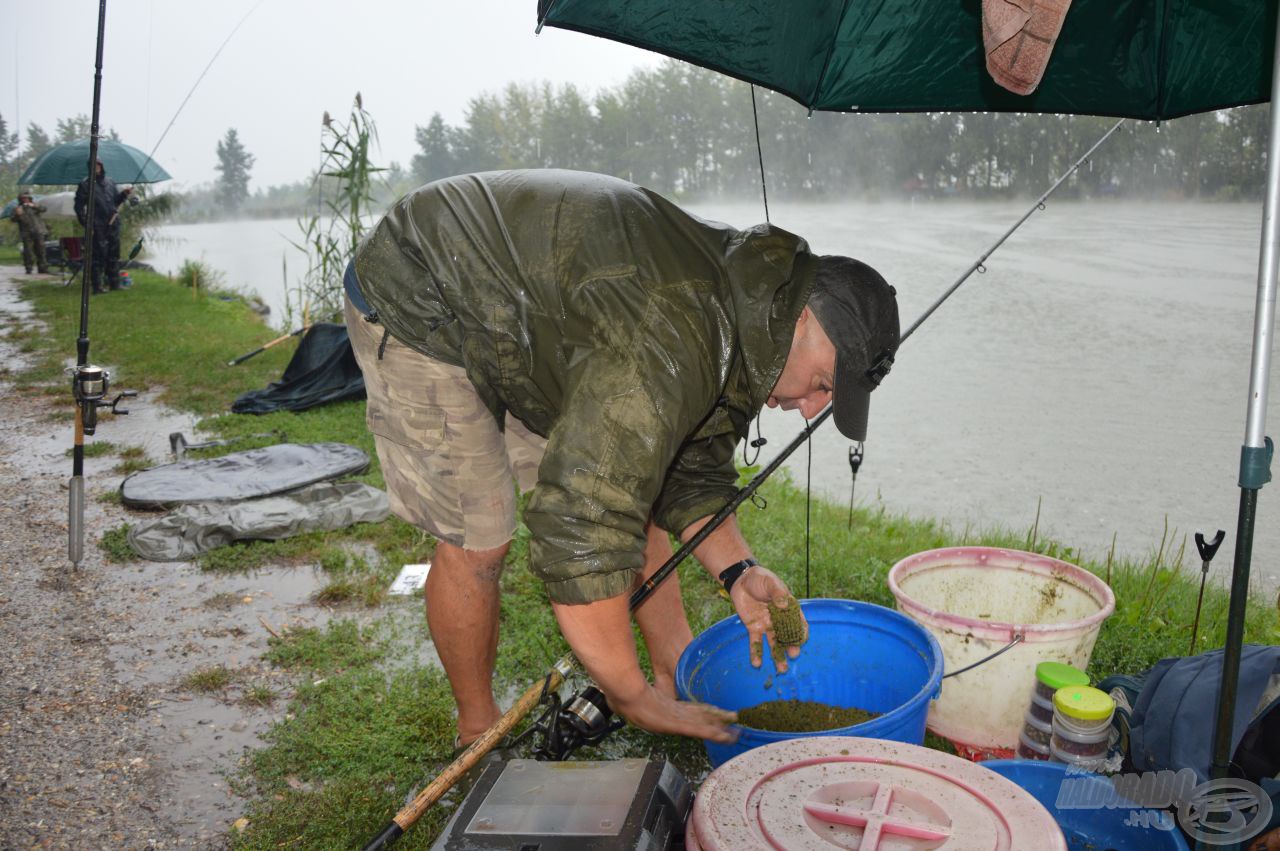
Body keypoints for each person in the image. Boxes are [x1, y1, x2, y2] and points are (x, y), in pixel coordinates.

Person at [343, 169, 900, 746]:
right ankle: (477, 729)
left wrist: (738, 572)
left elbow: (689, 474)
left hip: (539, 316)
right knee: (481, 534)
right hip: (426, 289)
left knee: (632, 476)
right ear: (805, 316)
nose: (811, 409)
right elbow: (581, 524)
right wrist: (625, 695)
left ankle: (674, 669)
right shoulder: (671, 340)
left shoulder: (750, 324)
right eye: (823, 383)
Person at [74, 159, 132, 293]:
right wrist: (87, 225)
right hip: (96, 225)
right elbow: (78, 207)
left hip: (113, 222)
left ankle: (114, 284)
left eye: (98, 165)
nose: (96, 168)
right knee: (98, 256)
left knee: (114, 254)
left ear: (101, 166)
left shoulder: (110, 182)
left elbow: (115, 202)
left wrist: (124, 194)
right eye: (93, 166)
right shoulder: (85, 185)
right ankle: (97, 286)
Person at [9, 191, 50, 275]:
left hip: (38, 231)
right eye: (23, 198)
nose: (25, 199)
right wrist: (18, 214)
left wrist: (34, 206)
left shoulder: (34, 206)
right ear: (20, 199)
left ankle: (43, 268)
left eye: (27, 198)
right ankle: (29, 268)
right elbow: (13, 220)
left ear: (30, 198)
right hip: (26, 232)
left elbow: (44, 209)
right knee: (28, 251)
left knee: (41, 250)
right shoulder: (17, 208)